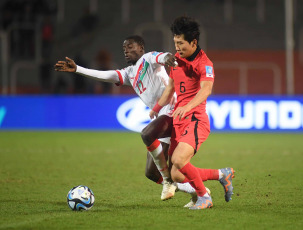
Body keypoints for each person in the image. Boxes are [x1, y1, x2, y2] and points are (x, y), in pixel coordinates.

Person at [54, 35, 203, 202]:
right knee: (151, 173)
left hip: (173, 110)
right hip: (161, 116)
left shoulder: (148, 59)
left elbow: (160, 56)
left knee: (147, 134)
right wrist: (78, 70)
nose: (126, 50)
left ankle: (170, 182)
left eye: (130, 47)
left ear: (141, 48)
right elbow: (107, 75)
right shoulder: (129, 73)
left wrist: (168, 57)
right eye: (124, 48)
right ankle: (197, 192)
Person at [150, 16, 235, 210]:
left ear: (193, 42)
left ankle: (204, 196)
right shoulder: (176, 59)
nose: (177, 47)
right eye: (175, 43)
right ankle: (222, 174)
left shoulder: (204, 63)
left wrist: (187, 107)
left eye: (181, 43)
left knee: (179, 161)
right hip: (179, 121)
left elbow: (206, 90)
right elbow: (171, 86)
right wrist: (156, 108)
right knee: (176, 174)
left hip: (196, 120)